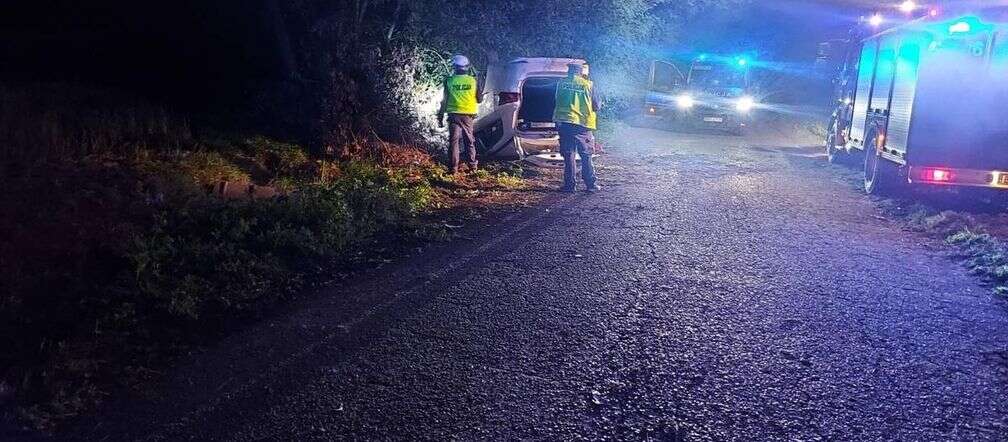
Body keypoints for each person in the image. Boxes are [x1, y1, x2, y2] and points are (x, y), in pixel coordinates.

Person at [552, 62, 600, 193]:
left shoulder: (561, 83)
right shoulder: (588, 85)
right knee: (586, 155)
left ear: (569, 71)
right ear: (581, 72)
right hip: (583, 125)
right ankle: (590, 185)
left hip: (565, 123)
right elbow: (596, 106)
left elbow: (556, 100)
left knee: (569, 155)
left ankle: (569, 186)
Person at [437, 54, 483, 174]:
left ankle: (453, 169)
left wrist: (440, 116)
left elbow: (444, 100)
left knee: (454, 141)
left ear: (454, 67)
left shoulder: (449, 81)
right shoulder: (473, 81)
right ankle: (472, 167)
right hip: (467, 115)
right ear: (467, 67)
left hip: (453, 115)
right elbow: (479, 99)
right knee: (469, 140)